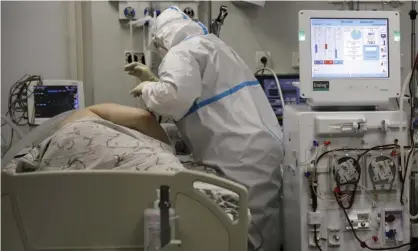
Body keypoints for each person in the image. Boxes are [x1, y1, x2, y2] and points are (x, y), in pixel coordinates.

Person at [124, 6, 283, 251]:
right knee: (263, 221)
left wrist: (147, 88)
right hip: (260, 143)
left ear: (160, 39)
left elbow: (175, 98)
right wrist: (156, 82)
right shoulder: (212, 44)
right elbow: (197, 91)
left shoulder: (179, 53)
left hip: (240, 152)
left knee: (248, 227)